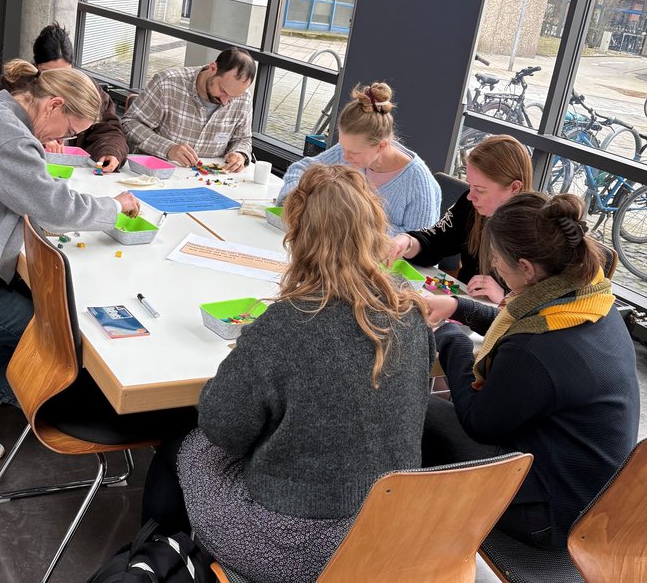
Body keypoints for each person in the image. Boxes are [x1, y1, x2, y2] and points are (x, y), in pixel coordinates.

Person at [142, 164, 435, 583]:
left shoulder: (285, 323)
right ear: (376, 233)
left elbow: (222, 430)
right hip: (386, 534)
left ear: (298, 238)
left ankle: (157, 562)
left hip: (293, 550)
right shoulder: (412, 315)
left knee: (185, 449)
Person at [0, 61, 140, 464]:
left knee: (45, 320)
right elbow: (52, 210)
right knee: (65, 343)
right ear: (53, 105)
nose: (65, 139)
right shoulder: (8, 137)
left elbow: (31, 194)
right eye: (69, 130)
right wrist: (113, 207)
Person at [423, 192, 639, 549]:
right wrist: (458, 308)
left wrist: (448, 338)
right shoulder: (589, 300)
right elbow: (519, 334)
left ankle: (413, 538)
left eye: (495, 259)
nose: (492, 264)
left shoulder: (536, 348)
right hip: (591, 496)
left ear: (525, 268)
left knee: (421, 412)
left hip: (552, 517)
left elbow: (479, 421)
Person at [275, 82, 440, 235]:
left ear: (381, 146)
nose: (345, 157)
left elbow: (421, 242)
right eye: (343, 147)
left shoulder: (418, 183)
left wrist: (354, 224)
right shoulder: (347, 152)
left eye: (353, 152)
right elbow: (301, 169)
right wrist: (293, 199)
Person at [388, 134, 533, 303]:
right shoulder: (470, 206)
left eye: (480, 189)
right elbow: (437, 242)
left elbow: (543, 301)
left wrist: (505, 296)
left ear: (514, 188)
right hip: (463, 305)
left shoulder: (536, 231)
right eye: (470, 185)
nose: (471, 196)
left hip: (500, 318)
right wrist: (408, 242)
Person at [0, 22, 129, 172]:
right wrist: (39, 141)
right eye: (49, 73)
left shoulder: (87, 90)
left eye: (65, 72)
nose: (59, 79)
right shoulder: (14, 83)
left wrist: (110, 151)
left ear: (72, 67)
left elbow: (108, 129)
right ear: (35, 65)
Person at [122, 47, 255, 173]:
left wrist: (240, 154)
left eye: (234, 96)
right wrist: (168, 148)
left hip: (210, 180)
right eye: (223, 90)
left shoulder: (244, 98)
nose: (226, 101)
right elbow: (130, 123)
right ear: (212, 68)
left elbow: (243, 139)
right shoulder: (167, 83)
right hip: (157, 174)